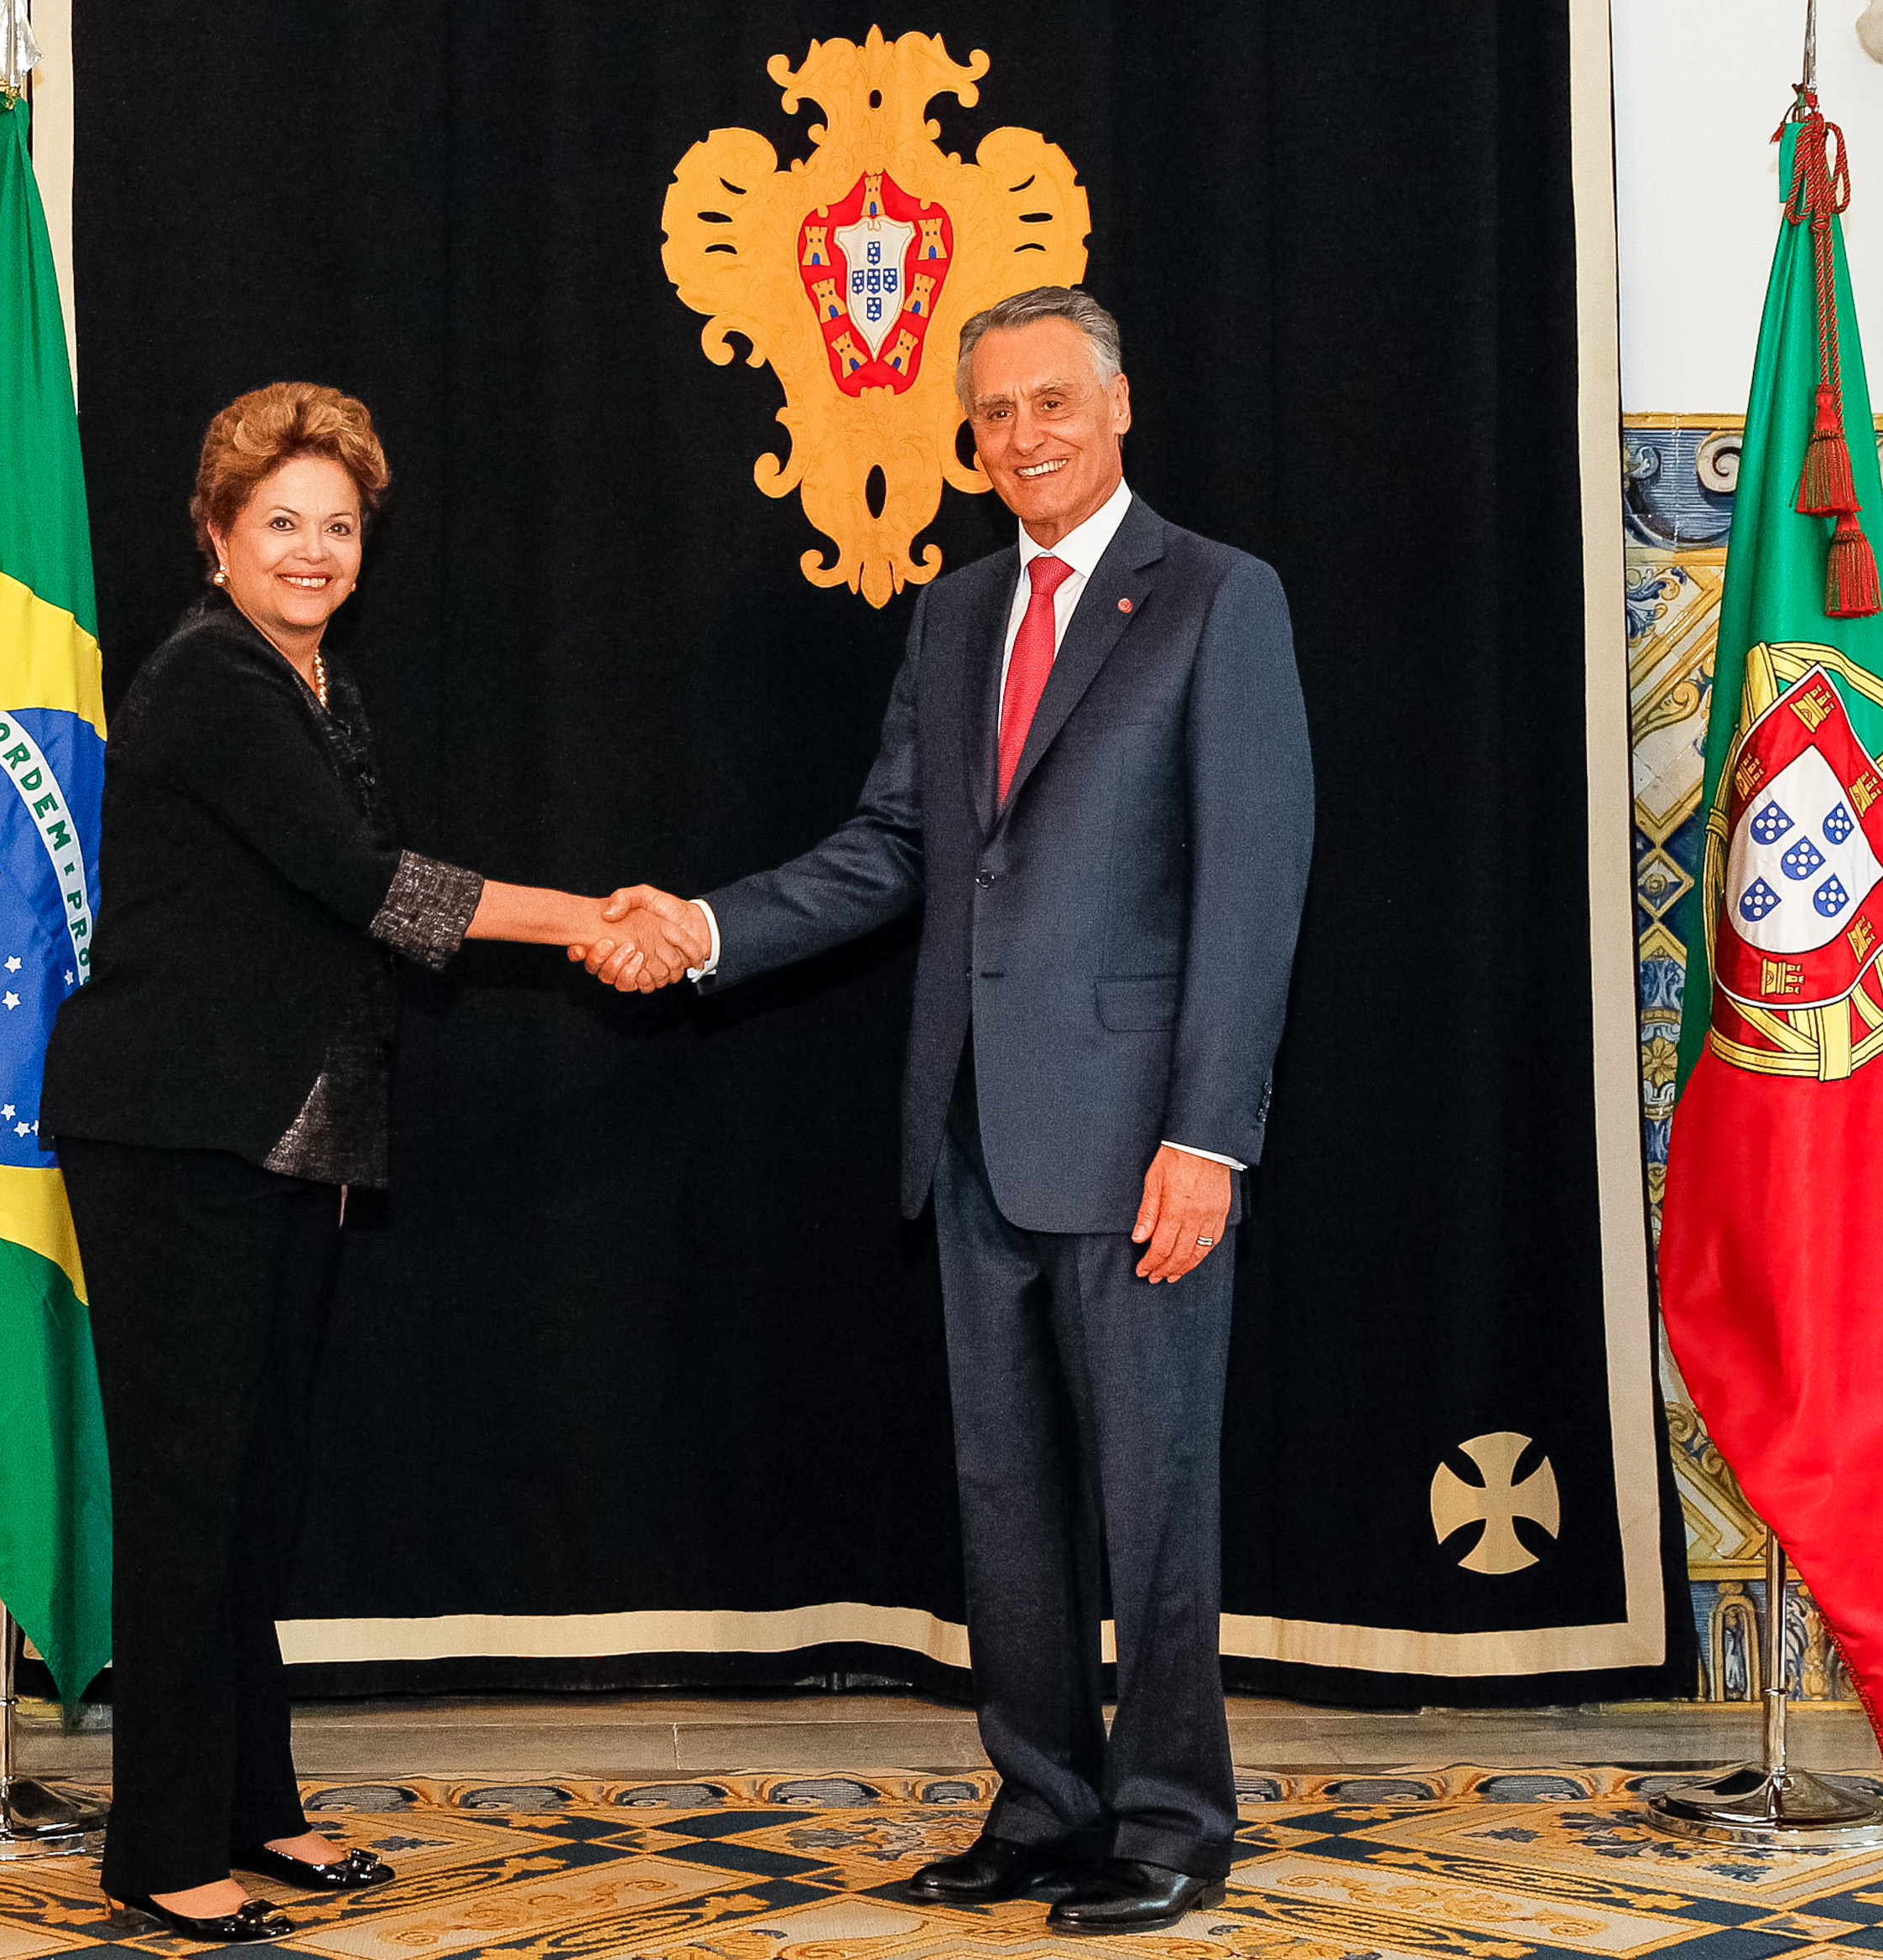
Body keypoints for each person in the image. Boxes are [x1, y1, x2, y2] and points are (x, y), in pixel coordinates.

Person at [583, 287, 1314, 1933]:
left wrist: (1209, 1133)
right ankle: (1045, 1805)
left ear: (1120, 405)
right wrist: (701, 927)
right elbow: (896, 848)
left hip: (1143, 1149)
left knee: (1153, 1496)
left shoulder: (1216, 597)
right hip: (971, 1130)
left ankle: (1176, 1822)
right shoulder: (958, 607)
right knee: (1006, 1503)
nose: (1022, 435)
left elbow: (1254, 890)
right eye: (991, 412)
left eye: (1052, 401)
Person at [42, 383, 689, 1943]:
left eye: (337, 526)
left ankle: (252, 1806)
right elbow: (367, 885)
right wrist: (597, 911)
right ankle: (160, 1842)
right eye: (282, 523)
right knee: (194, 1500)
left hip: (285, 1142)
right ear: (215, 537)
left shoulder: (313, 681)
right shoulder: (212, 679)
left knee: (259, 1497)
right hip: (177, 1141)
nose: (314, 550)